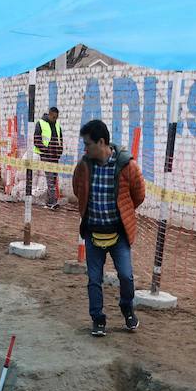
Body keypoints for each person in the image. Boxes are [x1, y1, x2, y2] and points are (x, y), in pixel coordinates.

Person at [72, 119, 145, 338]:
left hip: (119, 234)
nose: (85, 148)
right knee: (94, 279)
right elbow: (78, 189)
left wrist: (123, 211)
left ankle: (127, 308)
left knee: (126, 276)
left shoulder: (127, 166)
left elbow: (138, 195)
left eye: (88, 144)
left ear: (101, 142)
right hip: (93, 233)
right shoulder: (84, 166)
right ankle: (98, 319)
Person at [35, 106, 63, 209]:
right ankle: (52, 202)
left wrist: (60, 151)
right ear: (50, 115)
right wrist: (45, 151)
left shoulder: (57, 125)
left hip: (55, 157)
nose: (55, 119)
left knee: (53, 180)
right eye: (54, 117)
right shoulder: (41, 124)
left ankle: (49, 201)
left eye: (57, 117)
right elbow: (36, 140)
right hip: (46, 156)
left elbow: (61, 139)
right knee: (50, 180)